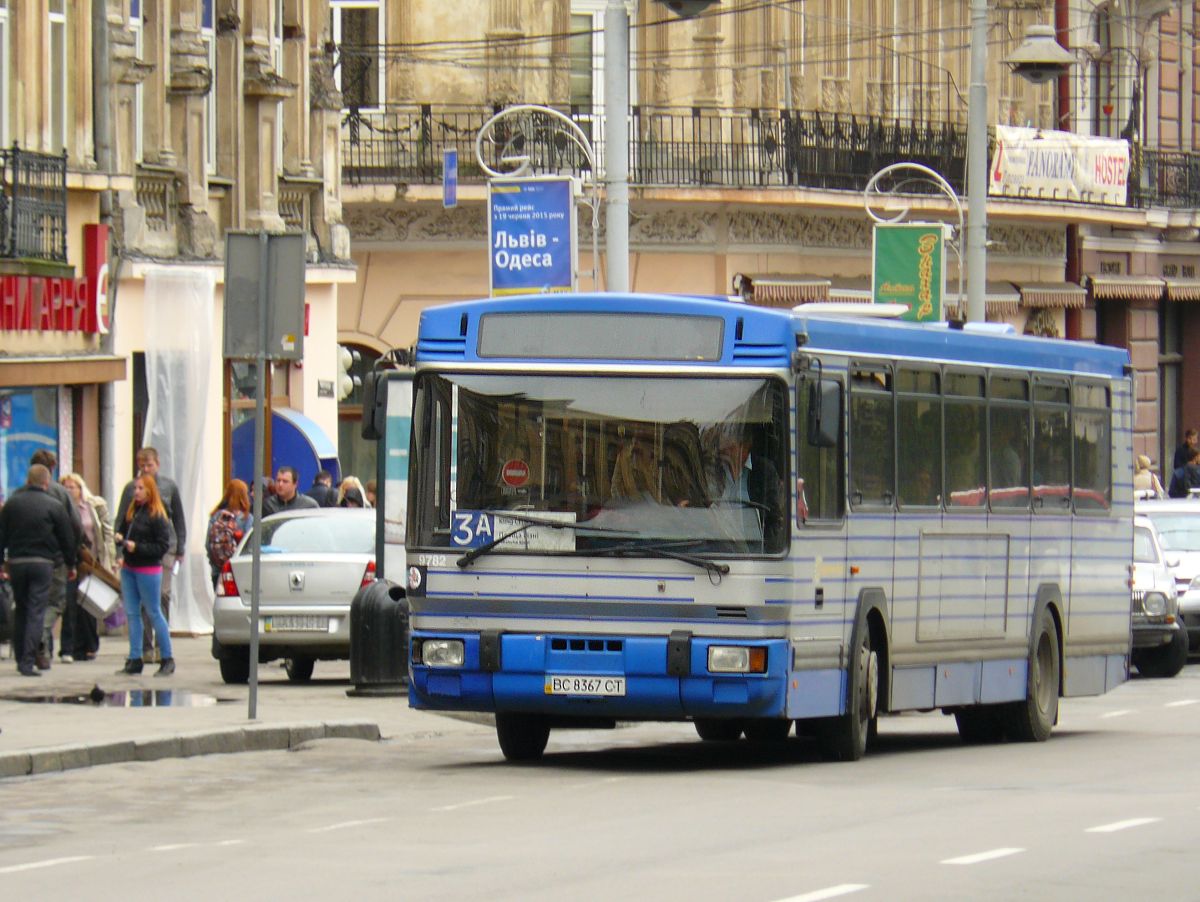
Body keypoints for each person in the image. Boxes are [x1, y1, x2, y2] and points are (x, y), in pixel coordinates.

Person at [0, 465, 78, 677]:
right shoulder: (54, 506)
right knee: (36, 611)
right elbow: (67, 538)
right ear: (47, 482)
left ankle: (20, 658)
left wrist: (1, 563)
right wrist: (71, 564)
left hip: (17, 563)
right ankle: (27, 661)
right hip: (43, 563)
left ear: (28, 480)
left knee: (22, 608)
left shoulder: (12, 504)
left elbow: (1, 535)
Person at [116, 447, 186, 661]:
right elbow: (121, 519)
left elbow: (179, 520)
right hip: (136, 549)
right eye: (142, 466)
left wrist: (180, 547)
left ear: (158, 464)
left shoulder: (168, 487)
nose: (146, 469)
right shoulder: (131, 489)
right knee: (140, 603)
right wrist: (119, 549)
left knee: (161, 595)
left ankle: (161, 646)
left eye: (150, 465)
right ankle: (145, 647)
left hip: (165, 547)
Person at [23, 450, 82, 668]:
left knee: (31, 603)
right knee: (54, 603)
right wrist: (72, 557)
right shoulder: (60, 493)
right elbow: (74, 526)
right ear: (52, 469)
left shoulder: (18, 495)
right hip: (54, 558)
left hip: (23, 557)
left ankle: (40, 653)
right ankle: (40, 639)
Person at [114, 474, 175, 676]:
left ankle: (167, 658)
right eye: (135, 488)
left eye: (140, 488)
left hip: (148, 569)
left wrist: (137, 547)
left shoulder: (157, 515)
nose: (136, 492)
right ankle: (134, 658)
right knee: (132, 613)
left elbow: (161, 546)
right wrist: (120, 541)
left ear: (149, 490)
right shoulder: (133, 511)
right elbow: (122, 529)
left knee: (153, 611)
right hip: (129, 568)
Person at [60, 473, 114, 661]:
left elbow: (107, 532)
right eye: (65, 487)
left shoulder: (94, 505)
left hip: (92, 561)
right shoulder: (61, 508)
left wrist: (111, 559)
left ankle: (90, 645)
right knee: (70, 603)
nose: (69, 490)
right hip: (71, 560)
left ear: (81, 488)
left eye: (72, 486)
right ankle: (70, 647)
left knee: (90, 603)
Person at [205, 479, 253, 588]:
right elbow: (249, 546)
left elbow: (207, 544)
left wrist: (215, 562)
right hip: (239, 570)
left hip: (218, 570)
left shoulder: (216, 515)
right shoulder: (247, 518)